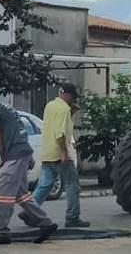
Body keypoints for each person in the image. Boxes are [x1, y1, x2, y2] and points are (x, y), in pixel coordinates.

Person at [0, 81, 57, 245]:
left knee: (2, 192)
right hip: (22, 152)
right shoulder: (8, 108)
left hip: (14, 154)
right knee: (20, 193)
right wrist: (29, 155)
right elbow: (21, 130)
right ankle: (45, 223)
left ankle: (1, 232)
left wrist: (3, 155)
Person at [32, 83, 90, 228]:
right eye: (72, 98)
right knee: (72, 186)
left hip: (47, 152)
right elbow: (60, 133)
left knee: (44, 185)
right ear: (69, 95)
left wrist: (72, 113)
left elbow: (55, 125)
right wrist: (64, 153)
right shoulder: (64, 109)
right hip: (60, 153)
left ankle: (29, 211)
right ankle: (72, 218)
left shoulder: (50, 106)